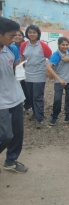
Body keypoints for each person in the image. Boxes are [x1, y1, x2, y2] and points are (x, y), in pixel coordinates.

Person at [0, 17, 28, 173]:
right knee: (6, 135)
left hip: (16, 97)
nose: (14, 39)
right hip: (1, 102)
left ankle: (11, 160)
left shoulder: (12, 49)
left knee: (17, 134)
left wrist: (21, 68)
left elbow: (15, 67)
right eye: (11, 36)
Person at [20, 25, 52, 129]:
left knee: (38, 97)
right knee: (30, 96)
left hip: (39, 75)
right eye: (30, 32)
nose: (32, 34)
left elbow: (50, 58)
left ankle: (39, 118)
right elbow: (22, 59)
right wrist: (20, 72)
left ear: (38, 34)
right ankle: (35, 113)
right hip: (27, 75)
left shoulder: (43, 45)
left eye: (34, 32)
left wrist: (50, 71)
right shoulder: (24, 45)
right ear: (27, 34)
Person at [46, 37, 69, 126]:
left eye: (66, 44)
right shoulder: (56, 55)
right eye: (62, 45)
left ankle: (68, 117)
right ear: (59, 45)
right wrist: (59, 79)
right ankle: (54, 117)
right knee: (57, 99)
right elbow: (49, 67)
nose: (65, 46)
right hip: (59, 82)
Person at [12, 30, 31, 114]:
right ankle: (18, 106)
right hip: (16, 71)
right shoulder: (12, 47)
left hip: (27, 70)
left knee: (26, 89)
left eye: (19, 35)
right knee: (17, 88)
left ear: (23, 37)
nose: (17, 36)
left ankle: (28, 106)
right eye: (15, 35)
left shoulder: (27, 45)